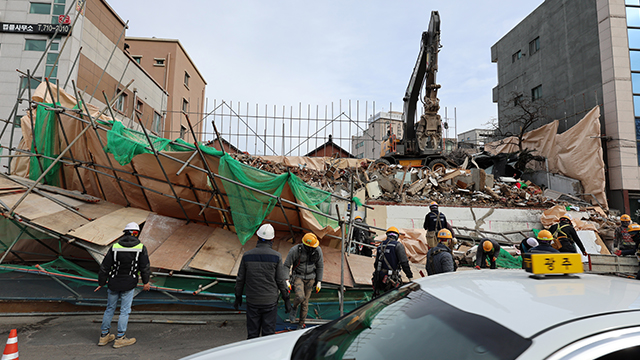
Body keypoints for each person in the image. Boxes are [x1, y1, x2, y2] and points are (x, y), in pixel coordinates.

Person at [95, 222, 151, 348]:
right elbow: (145, 267)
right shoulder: (141, 247)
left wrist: (101, 283)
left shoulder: (115, 247)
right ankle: (120, 338)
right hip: (129, 283)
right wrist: (146, 282)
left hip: (113, 282)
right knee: (124, 311)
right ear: (136, 233)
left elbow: (104, 267)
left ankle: (104, 337)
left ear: (124, 233)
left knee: (110, 309)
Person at [234, 224, 292, 339]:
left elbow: (240, 279)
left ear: (258, 237)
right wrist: (286, 299)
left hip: (252, 301)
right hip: (269, 302)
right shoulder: (276, 256)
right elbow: (280, 280)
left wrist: (238, 297)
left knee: (252, 335)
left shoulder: (247, 256)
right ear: (272, 240)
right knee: (268, 336)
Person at [284, 233, 324, 330]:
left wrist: (319, 281)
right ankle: (294, 307)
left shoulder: (317, 251)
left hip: (311, 278)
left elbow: (320, 266)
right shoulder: (295, 251)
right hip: (298, 276)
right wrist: (286, 279)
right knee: (300, 296)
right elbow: (286, 265)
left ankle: (301, 324)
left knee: (305, 303)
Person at [372, 227, 413, 297]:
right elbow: (404, 263)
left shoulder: (380, 246)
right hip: (391, 279)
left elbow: (376, 264)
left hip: (379, 278)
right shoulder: (397, 245)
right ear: (396, 236)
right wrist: (410, 277)